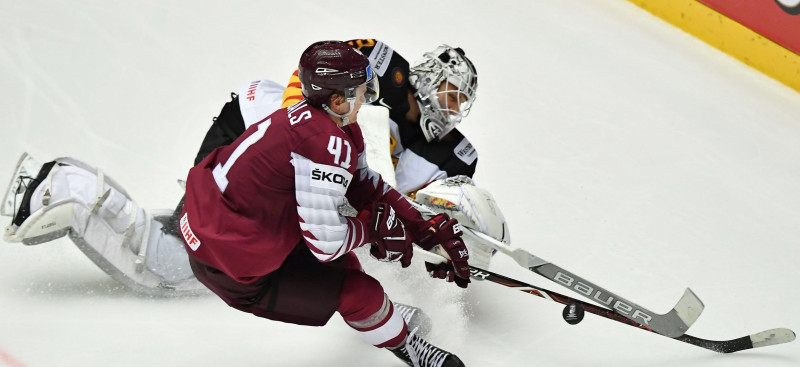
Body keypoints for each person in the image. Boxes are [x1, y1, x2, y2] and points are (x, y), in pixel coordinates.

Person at [1, 38, 507, 297]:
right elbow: (307, 79)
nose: (453, 106)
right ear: (427, 75)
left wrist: (444, 231)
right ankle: (69, 189)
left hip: (276, 171)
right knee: (172, 268)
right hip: (253, 137)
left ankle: (170, 211)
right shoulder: (379, 65)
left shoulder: (455, 154)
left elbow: (416, 204)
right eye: (448, 91)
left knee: (205, 240)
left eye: (462, 101)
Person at [179, 40, 471, 367]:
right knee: (357, 288)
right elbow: (325, 242)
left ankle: (382, 318)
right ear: (337, 99)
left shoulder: (328, 122)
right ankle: (405, 344)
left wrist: (419, 225)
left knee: (347, 263)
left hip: (216, 220)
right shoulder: (324, 143)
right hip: (226, 265)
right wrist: (371, 229)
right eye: (363, 91)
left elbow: (364, 182)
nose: (368, 99)